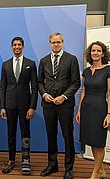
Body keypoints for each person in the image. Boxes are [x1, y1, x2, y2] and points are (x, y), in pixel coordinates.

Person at [38, 32, 80, 178]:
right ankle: (52, 164)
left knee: (67, 135)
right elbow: (39, 82)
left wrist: (63, 97)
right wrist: (44, 94)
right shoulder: (43, 61)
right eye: (53, 42)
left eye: (59, 42)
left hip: (65, 105)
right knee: (51, 135)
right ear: (49, 43)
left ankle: (69, 168)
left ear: (63, 43)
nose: (56, 44)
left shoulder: (71, 59)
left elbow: (76, 83)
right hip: (48, 104)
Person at [76, 41, 110, 179]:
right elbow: (83, 92)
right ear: (90, 53)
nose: (95, 53)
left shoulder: (109, 70)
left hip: (100, 108)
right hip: (87, 108)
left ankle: (95, 174)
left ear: (103, 53)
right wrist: (79, 110)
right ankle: (101, 170)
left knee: (99, 142)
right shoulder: (87, 71)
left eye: (98, 51)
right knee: (92, 140)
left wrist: (109, 114)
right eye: (93, 50)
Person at [0, 36, 38, 175]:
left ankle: (25, 160)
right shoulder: (5, 64)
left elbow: (35, 87)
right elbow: (2, 87)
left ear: (23, 46)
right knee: (11, 133)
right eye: (14, 45)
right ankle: (11, 159)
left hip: (25, 105)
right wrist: (2, 107)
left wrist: (32, 107)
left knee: (25, 132)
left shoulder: (31, 64)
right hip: (9, 105)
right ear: (11, 47)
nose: (17, 47)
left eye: (19, 45)